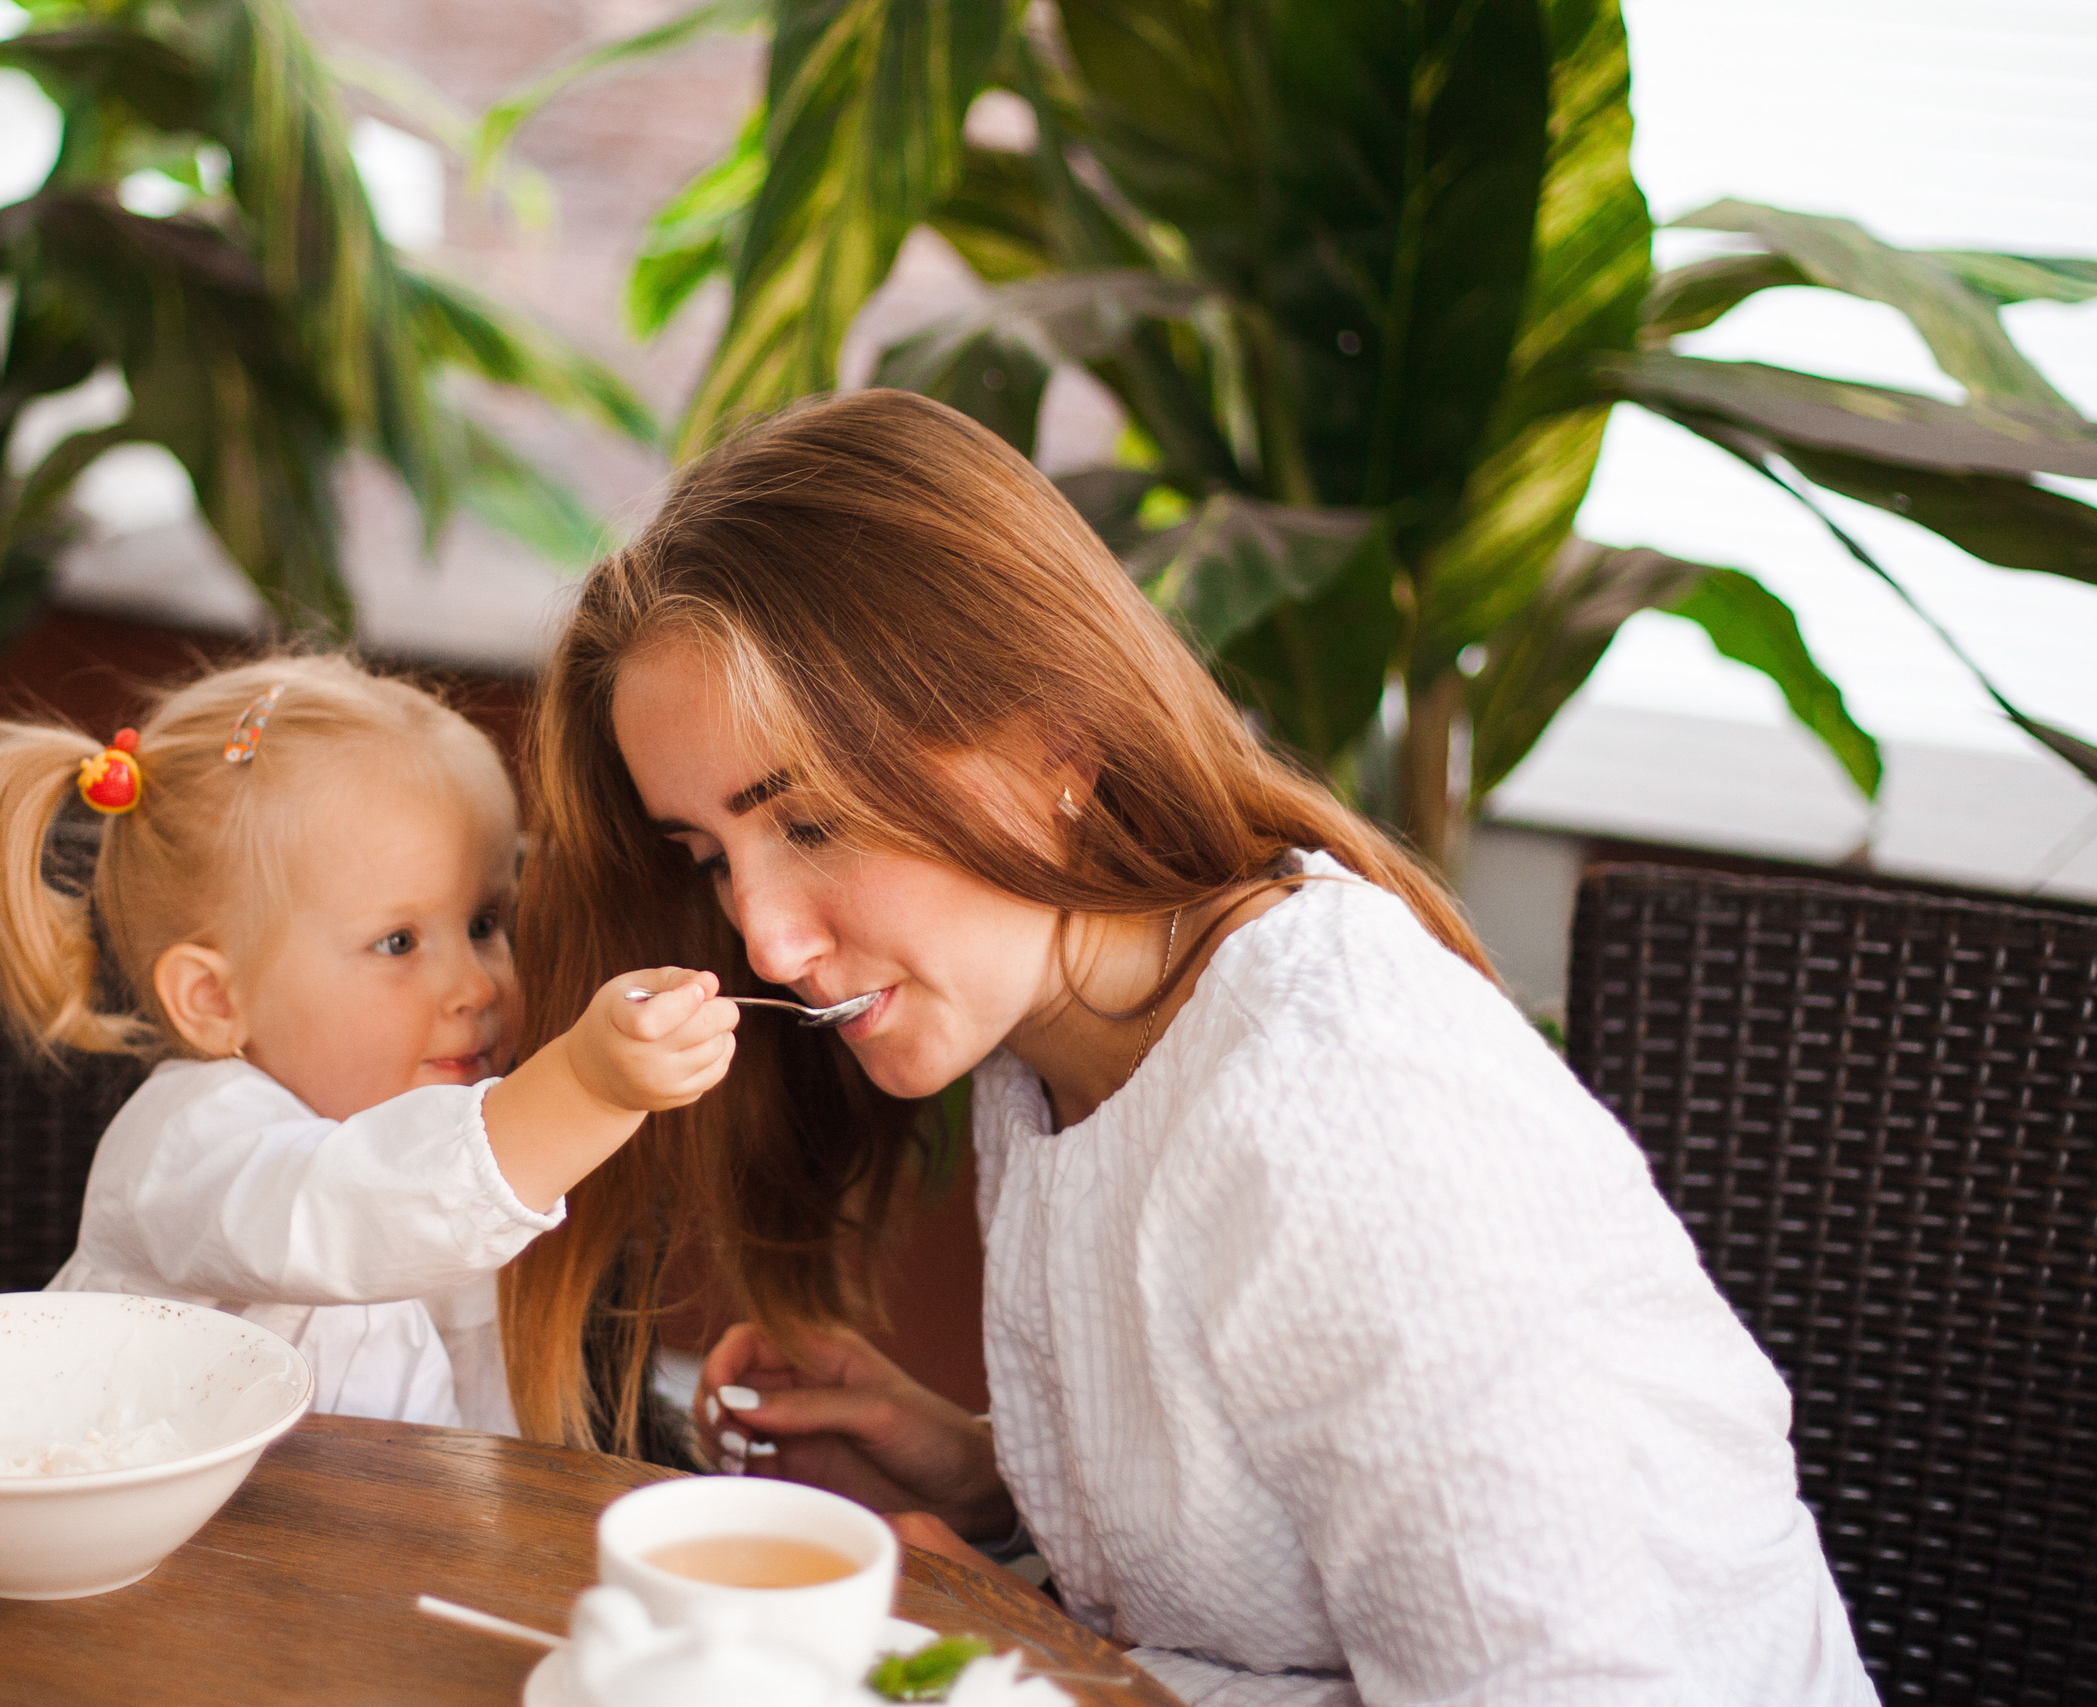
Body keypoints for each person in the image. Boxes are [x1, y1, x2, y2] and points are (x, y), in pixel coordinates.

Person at [503, 392, 1876, 1703]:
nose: (767, 942)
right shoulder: (1054, 1041)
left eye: (805, 821)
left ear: (1055, 739)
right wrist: (992, 1481)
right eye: (712, 856)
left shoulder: (1342, 1108)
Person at [0, 652, 737, 1431]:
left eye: (484, 922)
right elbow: (354, 1209)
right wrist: (583, 1090)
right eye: (398, 943)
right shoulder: (186, 1146)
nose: (477, 986)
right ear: (215, 998)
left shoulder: (433, 1146)